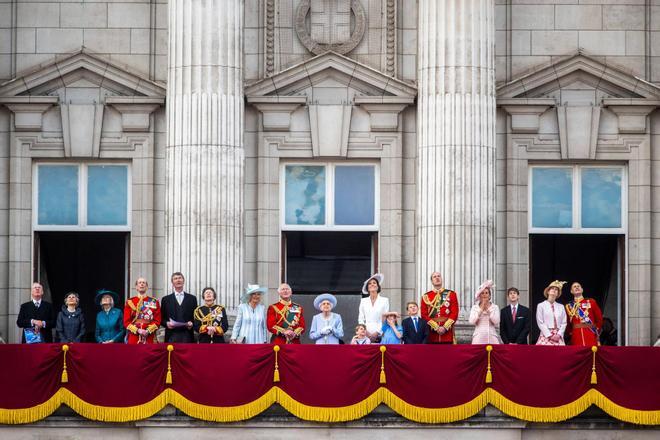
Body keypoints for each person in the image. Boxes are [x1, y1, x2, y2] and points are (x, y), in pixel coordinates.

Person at [420, 272, 459, 344]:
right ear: (431, 281)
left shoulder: (451, 294)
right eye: (434, 277)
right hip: (432, 335)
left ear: (442, 279)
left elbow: (454, 313)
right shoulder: (426, 296)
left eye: (439, 276)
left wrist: (445, 327)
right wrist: (436, 327)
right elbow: (424, 315)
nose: (437, 278)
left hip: (447, 334)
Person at [160, 272, 197, 343]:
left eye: (180, 278)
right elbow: (162, 318)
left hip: (187, 334)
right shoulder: (165, 299)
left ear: (183, 281)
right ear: (172, 282)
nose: (178, 280)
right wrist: (166, 323)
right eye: (175, 279)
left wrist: (192, 323)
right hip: (171, 334)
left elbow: (196, 317)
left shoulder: (192, 298)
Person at [123, 277, 161, 344]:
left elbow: (157, 321)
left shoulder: (154, 302)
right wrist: (138, 330)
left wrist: (148, 331)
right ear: (136, 287)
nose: (142, 284)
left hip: (149, 336)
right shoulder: (130, 302)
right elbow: (126, 322)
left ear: (146, 287)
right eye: (139, 283)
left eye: (144, 283)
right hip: (134, 337)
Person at [565, 281, 603, 347]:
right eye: (574, 287)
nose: (577, 287)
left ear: (582, 290)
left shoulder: (591, 302)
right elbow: (567, 323)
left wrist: (596, 330)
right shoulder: (568, 306)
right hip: (576, 335)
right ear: (571, 291)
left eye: (578, 286)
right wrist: (571, 333)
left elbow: (599, 318)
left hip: (590, 334)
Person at [357, 274, 389, 342]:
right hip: (365, 333)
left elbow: (385, 319)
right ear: (367, 288)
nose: (372, 284)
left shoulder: (385, 300)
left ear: (378, 286)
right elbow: (361, 319)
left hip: (380, 333)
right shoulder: (363, 301)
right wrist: (365, 331)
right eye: (370, 283)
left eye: (374, 283)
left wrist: (377, 332)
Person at [536, 280, 567, 346]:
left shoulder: (561, 306)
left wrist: (559, 334)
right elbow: (540, 322)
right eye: (552, 288)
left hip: (558, 335)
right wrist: (549, 335)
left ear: (558, 294)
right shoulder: (541, 305)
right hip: (545, 335)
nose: (554, 290)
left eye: (556, 289)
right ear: (548, 291)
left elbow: (564, 323)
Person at [468, 280, 500, 344]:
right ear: (479, 296)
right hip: (478, 337)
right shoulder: (475, 307)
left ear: (489, 296)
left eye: (486, 293)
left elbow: (496, 321)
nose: (484, 295)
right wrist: (481, 309)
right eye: (482, 293)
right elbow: (472, 321)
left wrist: (488, 310)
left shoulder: (495, 307)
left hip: (492, 336)